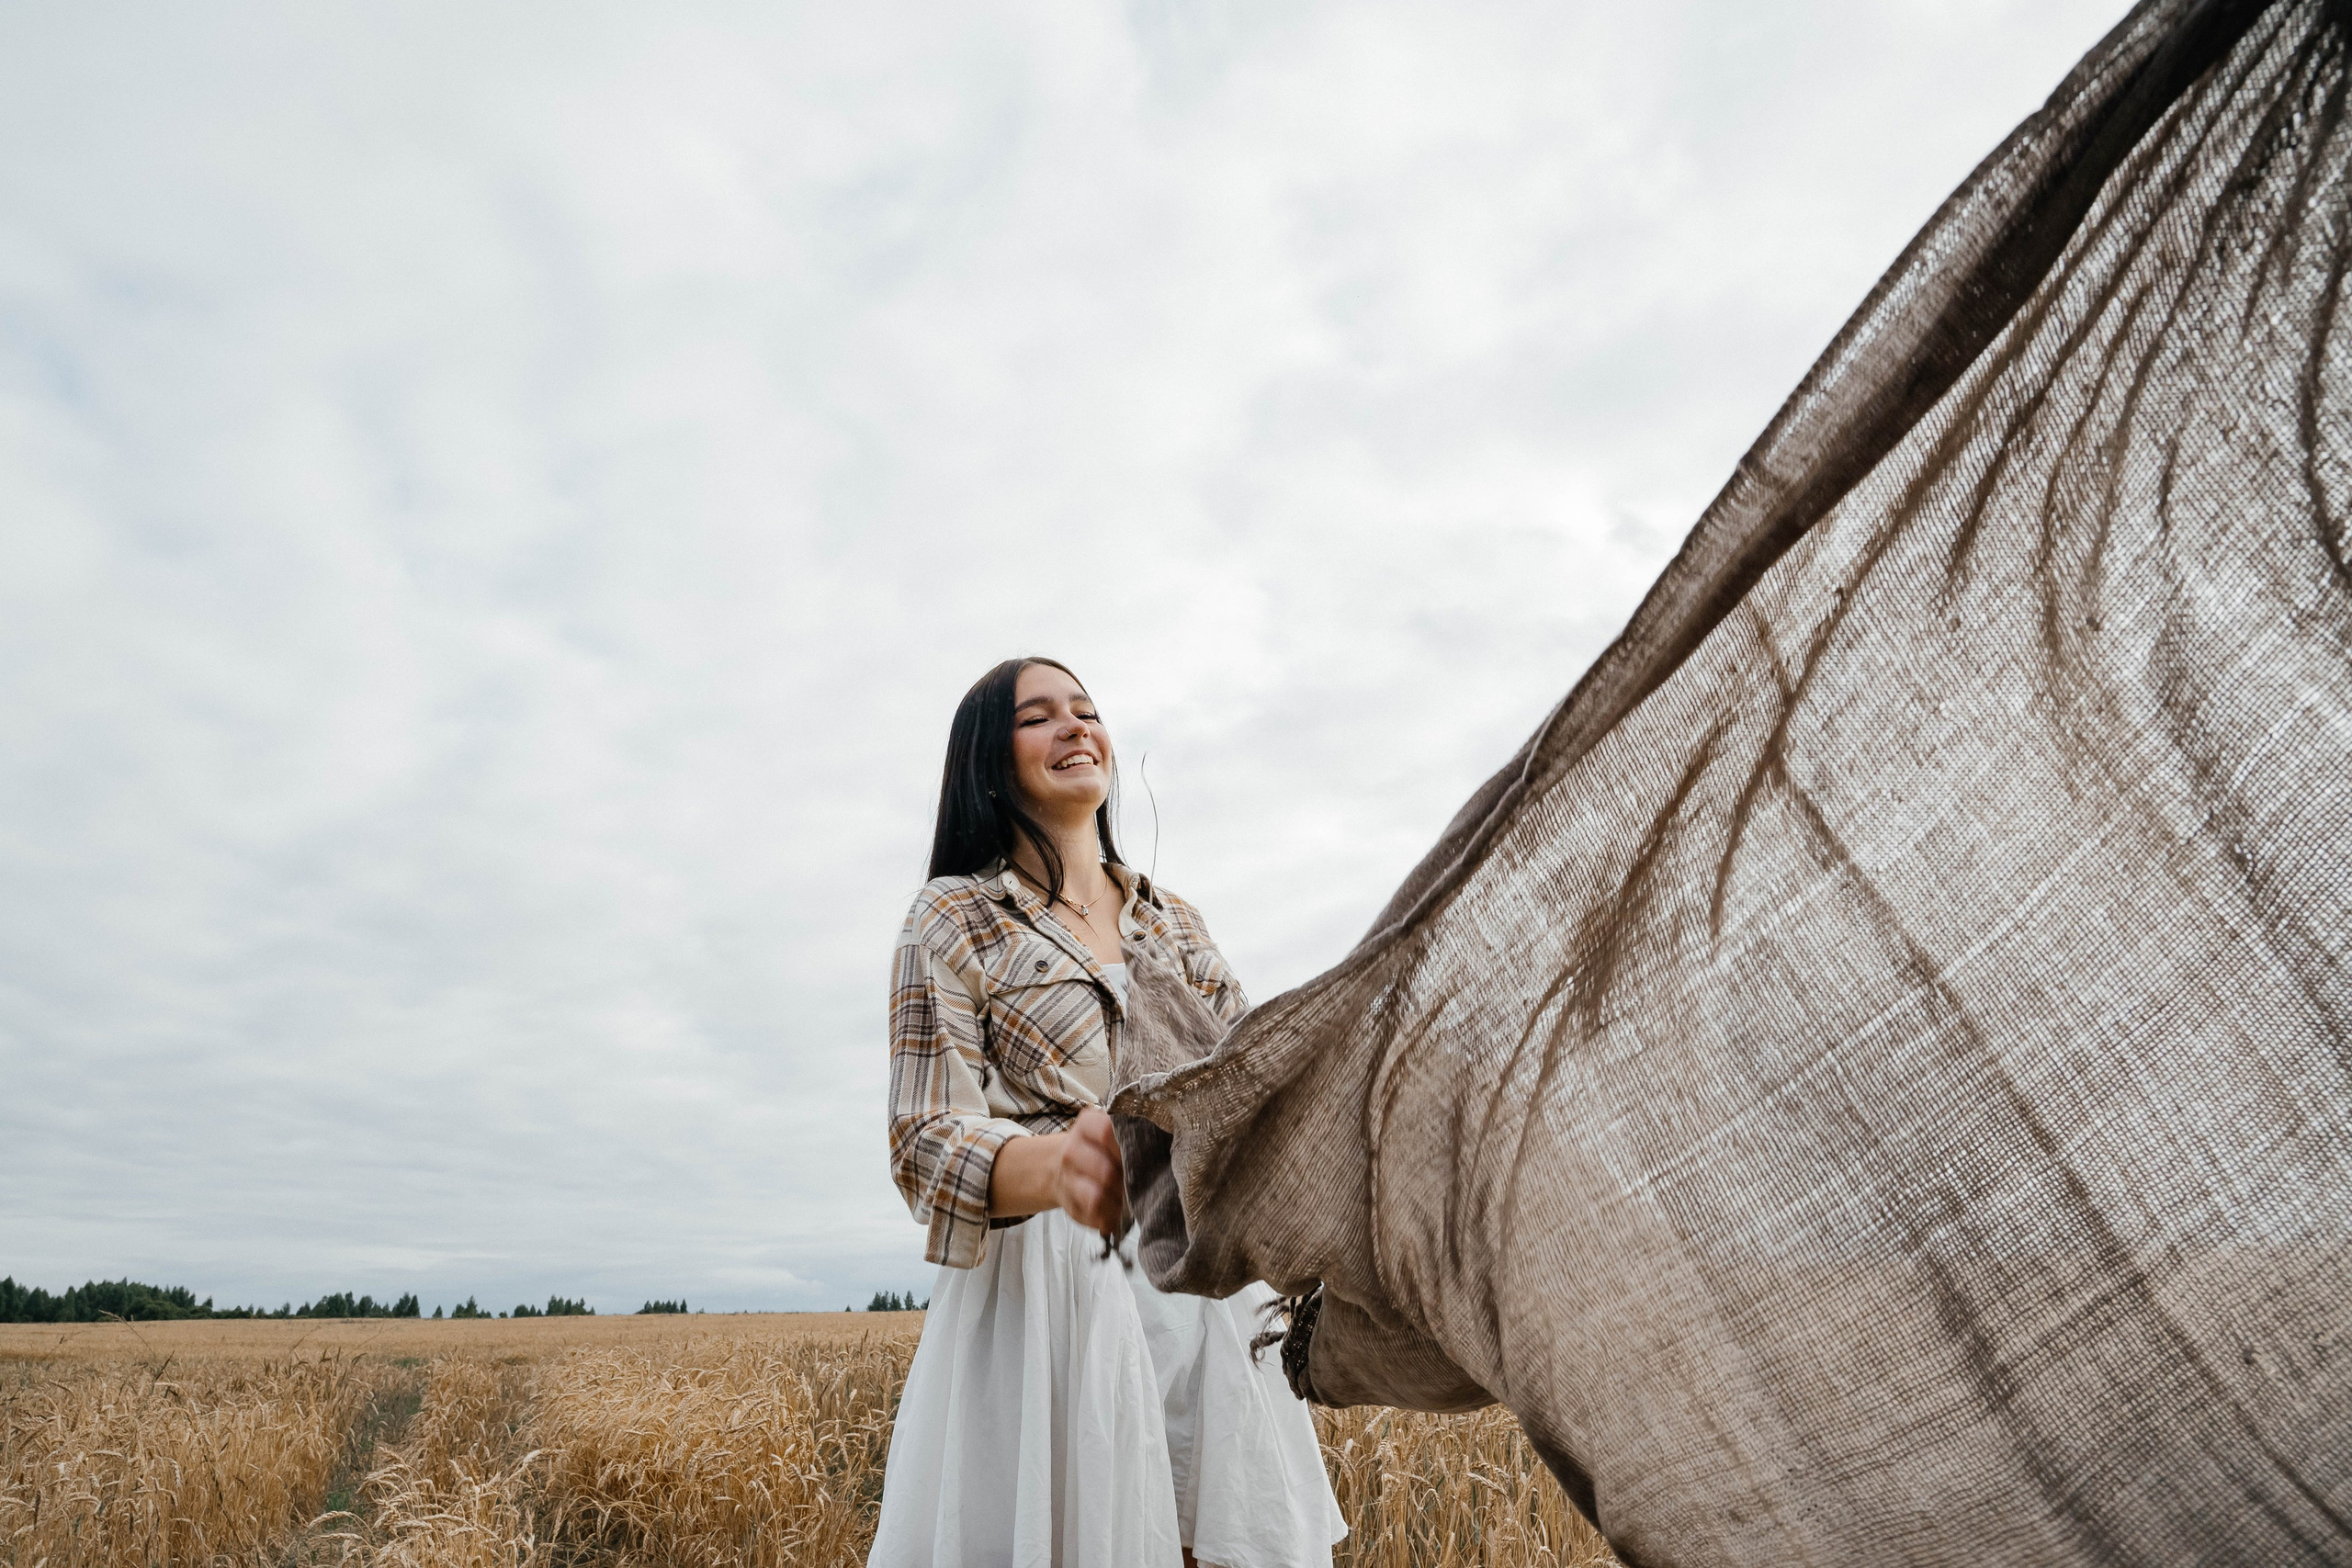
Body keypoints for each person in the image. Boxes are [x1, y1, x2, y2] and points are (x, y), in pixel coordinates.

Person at [868, 656, 1346, 1568]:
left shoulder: (1174, 922)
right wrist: (1057, 1169)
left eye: (1086, 711)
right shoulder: (951, 919)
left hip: (1204, 1286)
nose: (1075, 727)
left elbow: (1249, 1086)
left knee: (1231, 1542)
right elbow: (923, 1138)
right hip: (1050, 1302)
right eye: (1039, 717)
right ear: (986, 760)